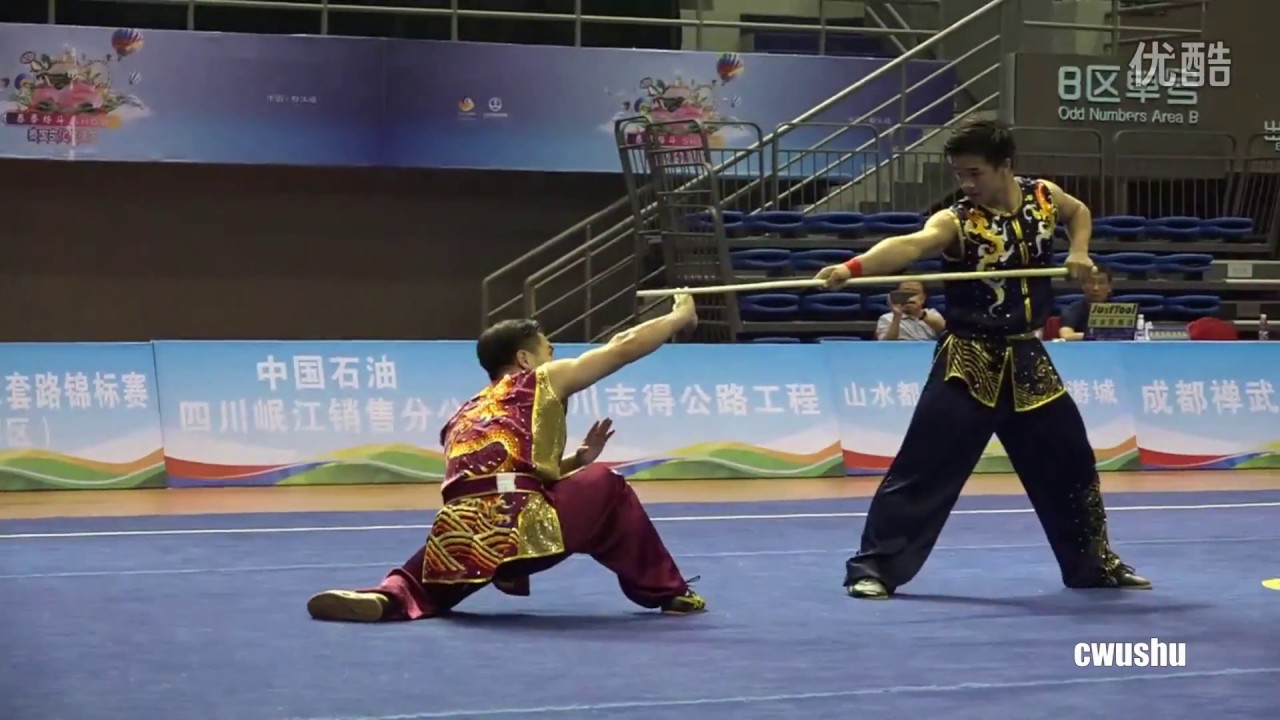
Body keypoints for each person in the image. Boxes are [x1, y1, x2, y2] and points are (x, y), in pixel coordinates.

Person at [814, 118, 1150, 599]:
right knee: (924, 468)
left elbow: (1079, 213)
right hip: (968, 361)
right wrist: (852, 268)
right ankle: (874, 568)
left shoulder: (1044, 196)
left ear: (1005, 166)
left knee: (1071, 462)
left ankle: (1092, 564)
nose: (966, 184)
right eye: (959, 175)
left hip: (1028, 358)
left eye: (975, 173)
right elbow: (910, 245)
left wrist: (1079, 250)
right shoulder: (956, 220)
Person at [306, 294, 706, 621]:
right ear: (525, 359)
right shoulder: (540, 381)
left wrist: (576, 459)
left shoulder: (466, 411)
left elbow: (504, 474)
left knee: (417, 584)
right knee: (608, 485)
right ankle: (669, 591)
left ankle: (385, 599)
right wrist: (678, 316)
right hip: (521, 531)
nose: (554, 358)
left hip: (460, 537)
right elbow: (623, 347)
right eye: (549, 350)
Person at [1058, 264, 1114, 340]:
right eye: (1091, 282)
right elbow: (1066, 335)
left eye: (1101, 283)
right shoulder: (1073, 310)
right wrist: (1095, 336)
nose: (1095, 288)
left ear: (1109, 287)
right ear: (1083, 285)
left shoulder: (1120, 310)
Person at [876, 280, 946, 341]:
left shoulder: (932, 314)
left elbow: (945, 329)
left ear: (923, 298)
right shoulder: (886, 318)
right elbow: (886, 345)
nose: (910, 297)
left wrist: (919, 314)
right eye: (906, 292)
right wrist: (897, 316)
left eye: (914, 293)